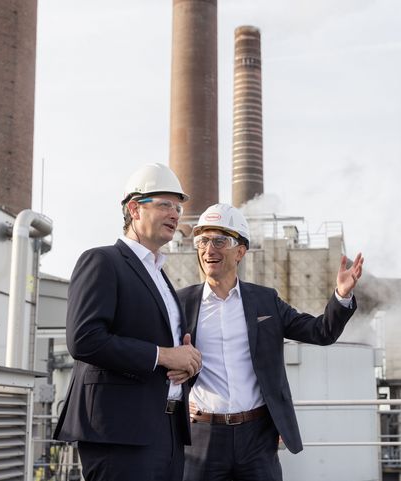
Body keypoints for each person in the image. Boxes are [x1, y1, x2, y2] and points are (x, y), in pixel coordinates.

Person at [170, 203, 364, 481]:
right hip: (202, 435)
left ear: (240, 251)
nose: (208, 249)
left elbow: (321, 332)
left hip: (257, 437)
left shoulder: (264, 300)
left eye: (219, 240)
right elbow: (158, 357)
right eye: (202, 241)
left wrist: (341, 296)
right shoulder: (181, 303)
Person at [53, 163, 202, 481]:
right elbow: (84, 338)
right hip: (119, 434)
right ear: (134, 208)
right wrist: (163, 355)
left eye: (178, 207)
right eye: (164, 204)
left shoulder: (162, 277)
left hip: (168, 431)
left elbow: (169, 351)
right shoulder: (102, 261)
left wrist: (188, 363)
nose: (175, 214)